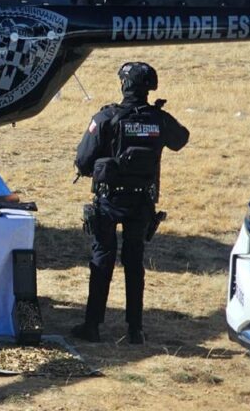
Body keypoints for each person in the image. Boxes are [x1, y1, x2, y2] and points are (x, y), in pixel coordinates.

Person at [71, 62, 189, 345]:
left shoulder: (106, 117)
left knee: (102, 259)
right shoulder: (159, 119)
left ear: (124, 85)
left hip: (109, 199)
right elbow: (181, 139)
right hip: (141, 202)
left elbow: (82, 160)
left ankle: (92, 326)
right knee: (135, 263)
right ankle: (135, 330)